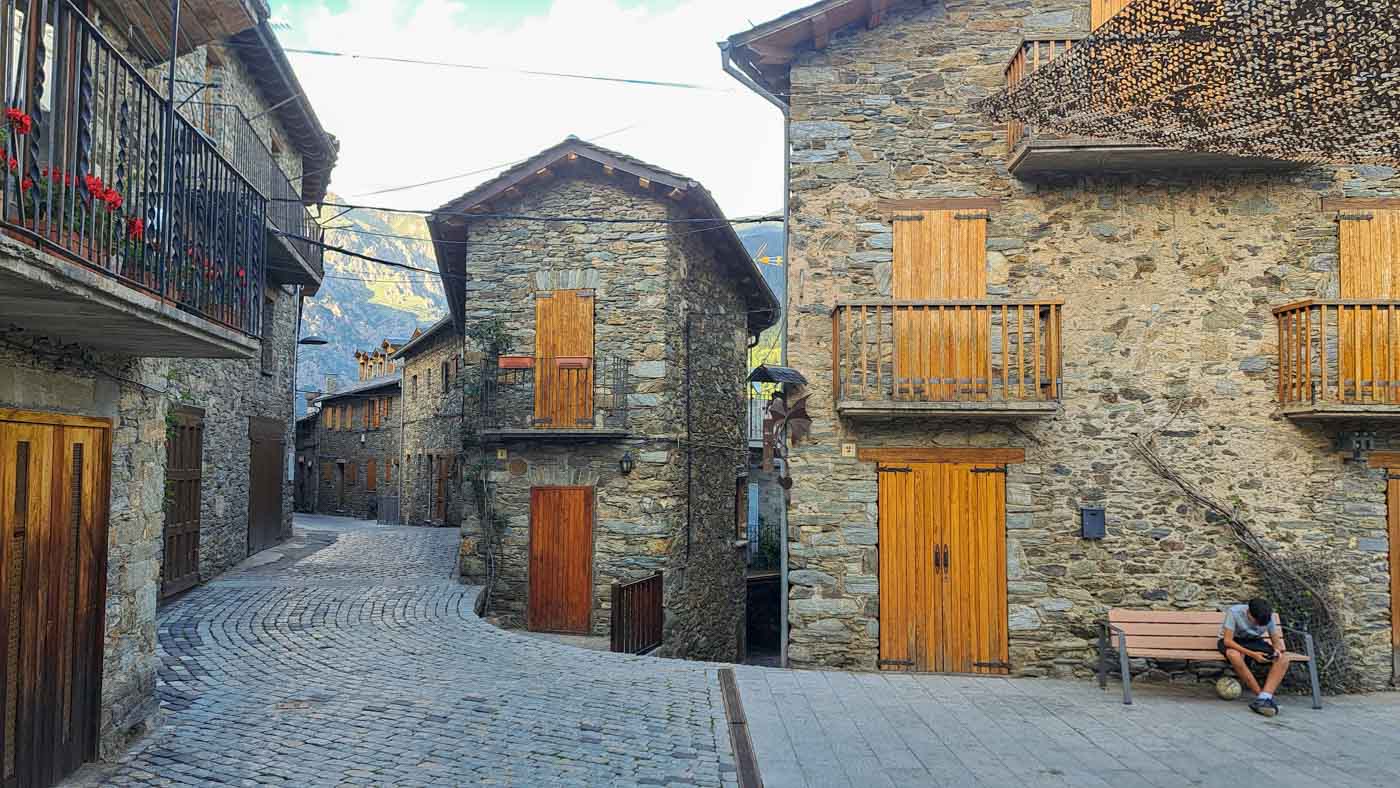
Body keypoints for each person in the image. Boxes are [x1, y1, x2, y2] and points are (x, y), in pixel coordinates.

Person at [1218, 598, 1291, 717]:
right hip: (1233, 641)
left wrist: (1278, 650)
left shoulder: (1267, 616)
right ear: (1248, 612)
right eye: (1256, 622)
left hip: (1254, 641)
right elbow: (1227, 641)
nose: (1257, 625)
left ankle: (1264, 697)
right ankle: (1260, 697)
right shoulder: (1234, 612)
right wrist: (1253, 654)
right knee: (1234, 655)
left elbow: (1276, 640)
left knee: (1284, 658)